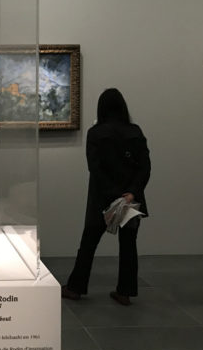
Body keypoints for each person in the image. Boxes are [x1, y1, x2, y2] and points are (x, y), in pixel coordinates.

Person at [62, 88, 151, 306]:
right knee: (128, 245)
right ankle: (125, 292)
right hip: (130, 199)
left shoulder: (96, 133)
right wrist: (130, 194)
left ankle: (75, 287)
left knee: (89, 242)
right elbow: (145, 167)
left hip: (102, 199)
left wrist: (113, 195)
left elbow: (95, 168)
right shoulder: (135, 131)